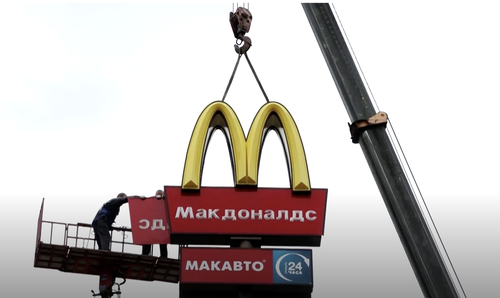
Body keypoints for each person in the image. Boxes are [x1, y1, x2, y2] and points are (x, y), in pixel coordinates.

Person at [141, 189, 168, 258]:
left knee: (163, 242)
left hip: (161, 225)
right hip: (152, 224)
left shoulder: (165, 202)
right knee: (148, 240)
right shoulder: (151, 202)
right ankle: (144, 255)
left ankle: (163, 257)